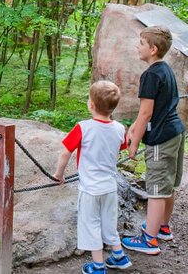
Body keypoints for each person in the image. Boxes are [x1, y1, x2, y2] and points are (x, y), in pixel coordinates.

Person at [55, 80, 133, 273]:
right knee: (109, 224)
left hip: (90, 189)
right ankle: (119, 257)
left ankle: (98, 266)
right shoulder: (119, 128)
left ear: (91, 104)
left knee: (91, 226)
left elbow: (65, 152)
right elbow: (122, 146)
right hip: (109, 187)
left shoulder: (83, 127)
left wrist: (59, 174)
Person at [121, 25, 186, 255]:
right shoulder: (165, 69)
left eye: (141, 44)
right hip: (175, 130)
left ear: (153, 49)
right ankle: (163, 227)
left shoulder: (150, 75)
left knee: (157, 188)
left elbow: (146, 112)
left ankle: (149, 239)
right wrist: (134, 128)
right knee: (169, 186)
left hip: (160, 137)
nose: (137, 47)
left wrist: (135, 141)